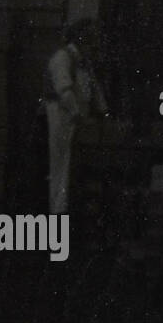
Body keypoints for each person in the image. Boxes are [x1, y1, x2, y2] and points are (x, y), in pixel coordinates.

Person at [43, 19, 109, 215]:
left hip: (77, 120)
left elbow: (94, 89)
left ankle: (71, 210)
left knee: (72, 167)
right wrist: (76, 113)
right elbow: (64, 91)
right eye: (91, 40)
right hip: (60, 117)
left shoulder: (84, 62)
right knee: (61, 167)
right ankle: (58, 212)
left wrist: (104, 111)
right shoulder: (62, 58)